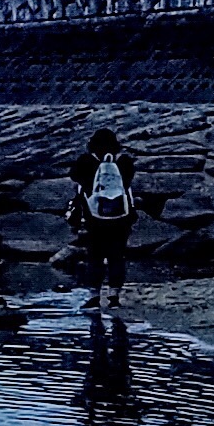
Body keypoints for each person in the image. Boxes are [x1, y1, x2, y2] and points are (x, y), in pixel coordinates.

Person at [70, 127, 139, 304]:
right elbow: (128, 182)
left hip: (94, 219)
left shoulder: (86, 161)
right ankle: (114, 294)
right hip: (121, 219)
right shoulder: (124, 162)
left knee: (95, 256)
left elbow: (75, 178)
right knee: (117, 255)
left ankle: (94, 295)